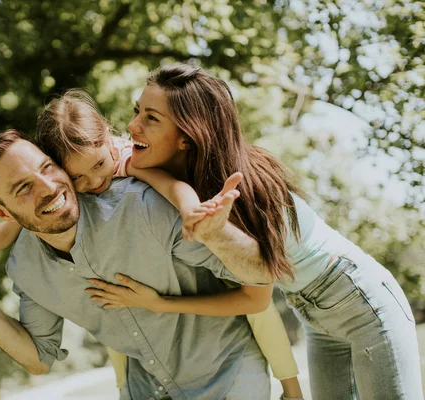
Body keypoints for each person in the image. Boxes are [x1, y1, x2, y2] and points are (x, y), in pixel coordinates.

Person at [0, 91, 304, 398]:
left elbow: (258, 279)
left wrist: (208, 225)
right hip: (146, 386)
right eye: (23, 188)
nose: (50, 187)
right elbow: (40, 359)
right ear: (1, 213)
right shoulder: (27, 269)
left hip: (225, 373)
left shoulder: (139, 203)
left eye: (46, 169)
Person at [87, 64, 423, 400]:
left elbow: (255, 298)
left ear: (187, 137)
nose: (132, 126)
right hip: (313, 315)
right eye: (136, 112)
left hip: (358, 298)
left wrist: (162, 303)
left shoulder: (239, 189)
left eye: (151, 118)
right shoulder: (160, 168)